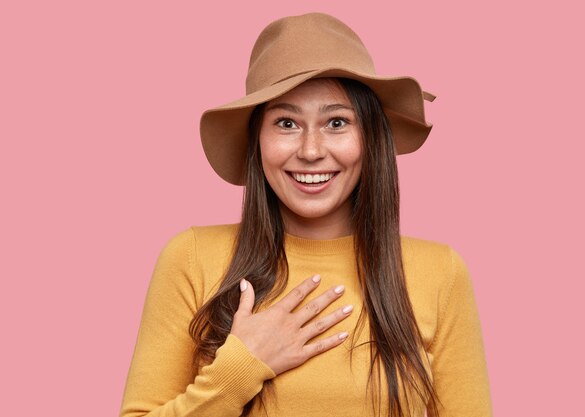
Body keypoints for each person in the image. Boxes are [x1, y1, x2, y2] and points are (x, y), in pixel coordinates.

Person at [119, 12, 493, 417]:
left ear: (369, 137)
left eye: (336, 122)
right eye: (286, 123)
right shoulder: (191, 258)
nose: (311, 150)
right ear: (256, 140)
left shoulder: (439, 273)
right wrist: (240, 367)